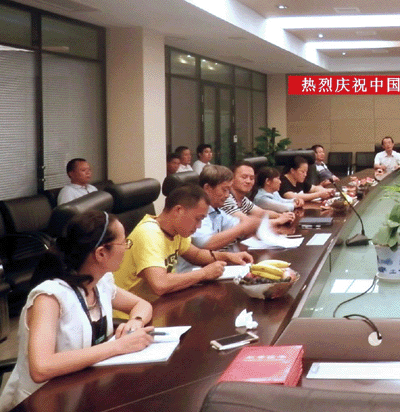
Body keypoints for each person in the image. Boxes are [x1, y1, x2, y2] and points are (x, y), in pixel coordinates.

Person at [0, 211, 154, 411]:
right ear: (101, 253)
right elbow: (41, 367)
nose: (127, 247)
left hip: (81, 392)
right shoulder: (50, 297)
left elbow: (142, 305)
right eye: (123, 242)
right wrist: (118, 346)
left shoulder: (100, 283)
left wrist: (136, 321)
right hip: (41, 401)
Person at [113, 185, 252, 306]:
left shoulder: (175, 231)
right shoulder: (149, 233)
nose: (199, 226)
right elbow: (160, 284)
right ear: (178, 210)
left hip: (160, 304)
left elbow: (196, 255)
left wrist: (228, 256)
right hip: (131, 317)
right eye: (198, 219)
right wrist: (204, 273)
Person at [223, 162, 294, 225]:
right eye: (244, 177)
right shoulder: (225, 198)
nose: (248, 181)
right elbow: (247, 222)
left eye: (251, 178)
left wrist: (281, 216)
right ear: (232, 178)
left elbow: (262, 213)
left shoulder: (243, 199)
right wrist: (278, 220)